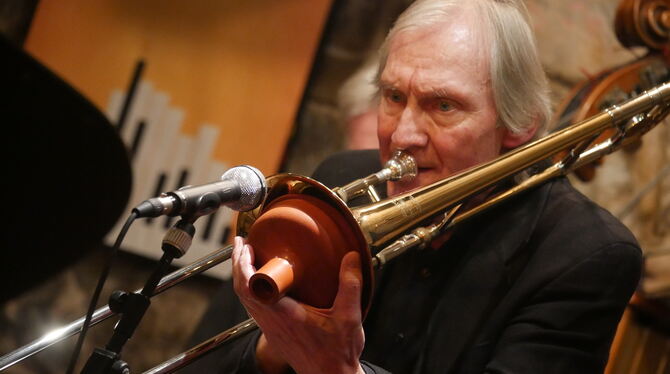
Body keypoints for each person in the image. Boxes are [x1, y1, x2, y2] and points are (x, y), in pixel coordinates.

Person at [224, 1, 642, 373]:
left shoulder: (587, 253)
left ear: (518, 124)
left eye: (443, 105)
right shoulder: (337, 181)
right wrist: (274, 347)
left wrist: (335, 369)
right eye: (393, 96)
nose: (403, 135)